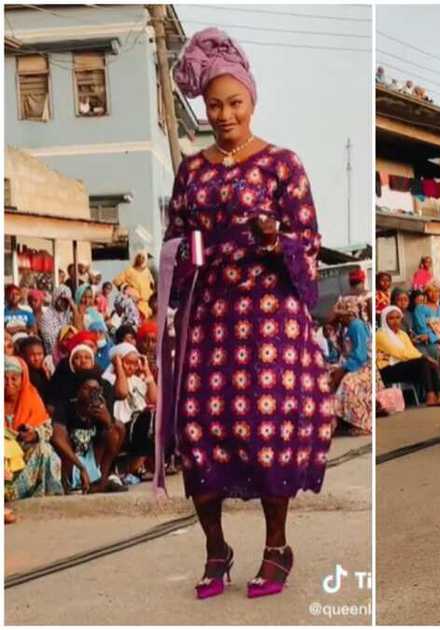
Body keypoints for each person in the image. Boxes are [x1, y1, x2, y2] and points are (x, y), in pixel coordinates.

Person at [165, 27, 335, 599]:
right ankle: (216, 549)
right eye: (214, 104)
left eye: (234, 102)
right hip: (210, 316)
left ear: (252, 100)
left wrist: (274, 237)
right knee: (200, 428)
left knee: (267, 428)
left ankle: (276, 546)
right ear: (203, 108)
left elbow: (309, 242)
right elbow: (173, 242)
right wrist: (182, 267)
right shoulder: (191, 170)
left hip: (269, 319)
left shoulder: (283, 164)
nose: (224, 114)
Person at [4, 357, 64, 499]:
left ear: (22, 379)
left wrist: (35, 434)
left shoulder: (31, 397)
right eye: (4, 378)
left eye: (14, 378)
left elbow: (46, 426)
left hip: (23, 451)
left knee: (45, 450)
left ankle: (44, 495)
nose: (9, 384)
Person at [376, 306, 440, 406]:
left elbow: (411, 350)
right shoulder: (380, 334)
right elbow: (399, 352)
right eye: (391, 318)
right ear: (384, 320)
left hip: (402, 365)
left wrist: (425, 358)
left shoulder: (402, 334)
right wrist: (423, 357)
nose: (395, 321)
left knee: (429, 363)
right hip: (388, 369)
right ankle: (431, 396)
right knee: (424, 361)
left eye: (398, 318)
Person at [103, 343, 157, 476]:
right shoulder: (108, 379)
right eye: (128, 363)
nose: (132, 367)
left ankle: (141, 465)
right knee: (147, 419)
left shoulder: (137, 380)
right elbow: (122, 392)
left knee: (156, 415)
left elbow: (154, 400)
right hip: (122, 426)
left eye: (135, 363)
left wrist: (147, 372)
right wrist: (119, 367)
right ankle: (134, 468)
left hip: (138, 425)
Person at [332, 301, 373, 435]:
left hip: (364, 366)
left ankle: (362, 424)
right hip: (353, 364)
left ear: (346, 315)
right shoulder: (346, 328)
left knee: (349, 384)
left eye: (340, 316)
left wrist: (345, 369)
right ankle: (339, 420)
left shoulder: (357, 326)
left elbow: (361, 354)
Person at [114, 252, 156, 320]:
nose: (141, 259)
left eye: (143, 257)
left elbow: (152, 284)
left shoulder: (147, 271)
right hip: (135, 304)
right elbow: (117, 280)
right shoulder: (129, 270)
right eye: (139, 257)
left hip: (147, 304)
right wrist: (126, 287)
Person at [15, 337, 51, 402]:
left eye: (40, 354)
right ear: (24, 356)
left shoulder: (46, 369)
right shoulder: (24, 375)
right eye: (32, 355)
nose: (37, 358)